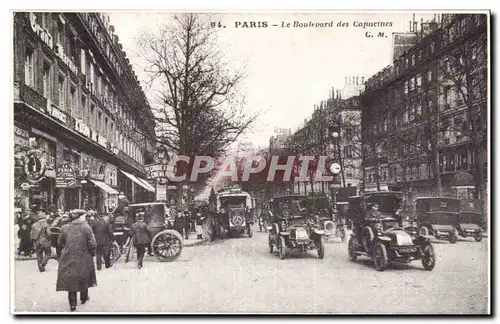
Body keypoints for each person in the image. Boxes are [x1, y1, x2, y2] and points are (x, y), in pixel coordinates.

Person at [56, 209, 97, 312]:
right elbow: (92, 243)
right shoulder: (86, 227)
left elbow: (59, 242)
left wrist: (62, 253)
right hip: (84, 256)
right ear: (80, 216)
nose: (85, 217)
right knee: (84, 275)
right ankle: (83, 298)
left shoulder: (65, 227)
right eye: (84, 215)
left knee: (71, 279)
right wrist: (92, 254)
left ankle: (72, 304)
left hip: (68, 256)